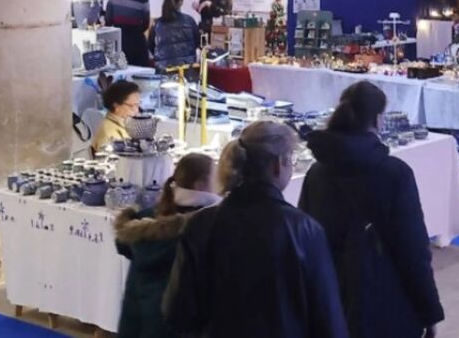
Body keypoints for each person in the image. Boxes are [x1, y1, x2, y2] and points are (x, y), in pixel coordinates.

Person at [163, 120, 348, 338]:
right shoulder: (305, 230)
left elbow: (177, 312)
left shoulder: (201, 224)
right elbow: (327, 320)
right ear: (278, 164)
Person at [299, 82, 444, 338]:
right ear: (379, 120)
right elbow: (412, 249)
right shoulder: (394, 173)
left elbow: (306, 241)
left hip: (329, 301)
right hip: (385, 304)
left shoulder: (316, 173)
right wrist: (429, 311)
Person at [115, 153, 220, 338]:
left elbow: (123, 247)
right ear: (200, 185)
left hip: (137, 319)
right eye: (215, 176)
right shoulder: (201, 227)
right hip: (172, 323)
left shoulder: (143, 219)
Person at [106, 0, 153, 67]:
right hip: (137, 43)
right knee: (139, 74)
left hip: (118, 41)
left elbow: (108, 19)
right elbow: (145, 24)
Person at [148, 0, 200, 71]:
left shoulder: (157, 24)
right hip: (186, 68)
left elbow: (151, 46)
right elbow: (197, 42)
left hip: (163, 70)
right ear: (181, 2)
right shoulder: (189, 21)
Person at [92, 80, 142, 157]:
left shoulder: (125, 123)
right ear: (116, 106)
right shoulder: (109, 133)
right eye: (132, 106)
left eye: (138, 105)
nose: (136, 110)